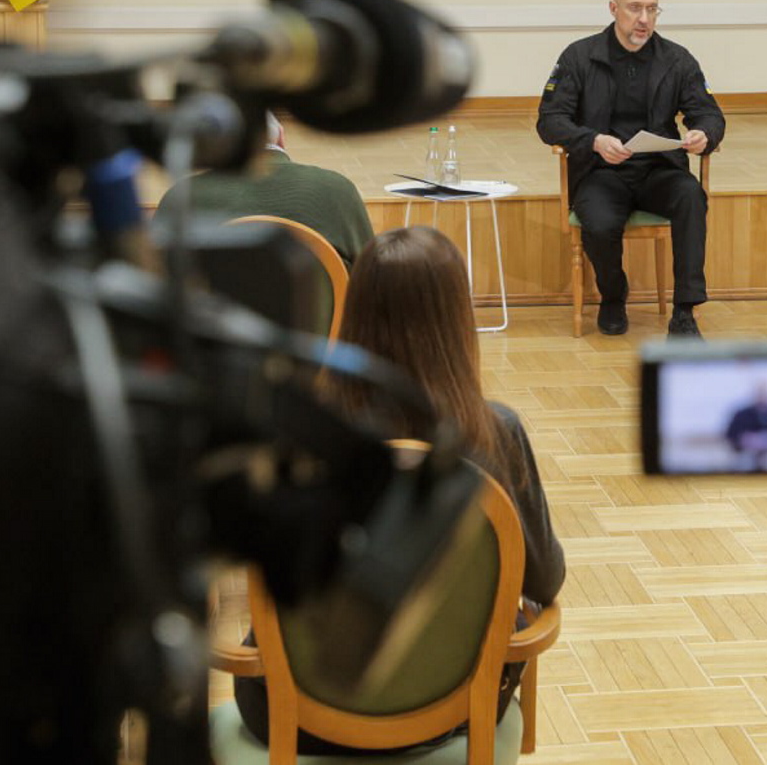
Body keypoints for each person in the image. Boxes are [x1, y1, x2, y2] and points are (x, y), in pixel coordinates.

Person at [234, 225, 565, 754]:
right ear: (458, 321)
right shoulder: (496, 432)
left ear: (354, 312)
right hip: (455, 714)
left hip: (289, 714)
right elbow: (545, 580)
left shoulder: (299, 432)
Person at [537, 0, 725, 339]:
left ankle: (685, 312)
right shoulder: (579, 56)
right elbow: (550, 121)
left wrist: (705, 134)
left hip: (659, 170)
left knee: (690, 196)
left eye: (652, 9)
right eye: (635, 8)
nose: (644, 19)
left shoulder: (677, 59)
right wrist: (592, 140)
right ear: (613, 9)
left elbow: (709, 112)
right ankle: (612, 294)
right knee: (599, 221)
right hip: (601, 171)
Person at [158, 111, 374, 266]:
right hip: (321, 328)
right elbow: (372, 278)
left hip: (212, 329)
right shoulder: (337, 190)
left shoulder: (180, 196)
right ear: (281, 137)